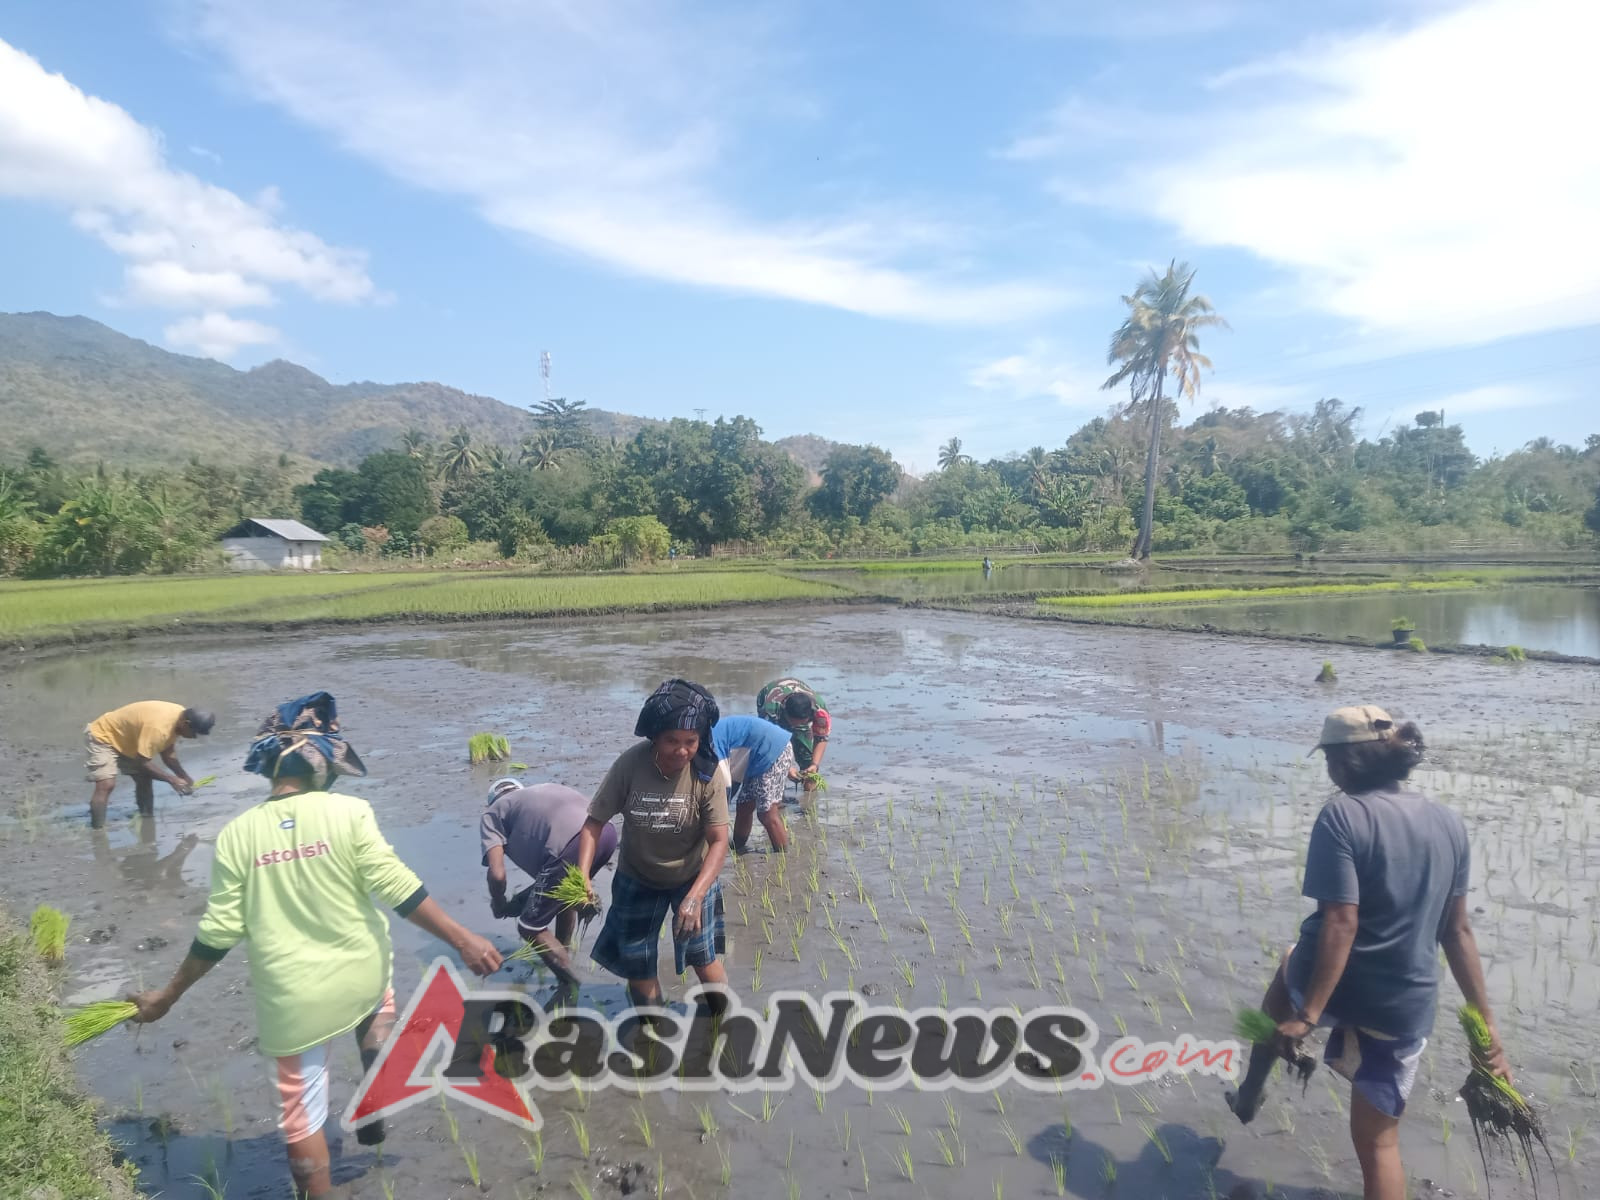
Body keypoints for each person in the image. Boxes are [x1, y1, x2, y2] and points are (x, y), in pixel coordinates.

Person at [126, 693, 501, 1200]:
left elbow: (216, 935)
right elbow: (398, 888)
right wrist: (463, 938)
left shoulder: (237, 834)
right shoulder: (351, 813)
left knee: (302, 1120)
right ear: (323, 763)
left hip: (294, 1001)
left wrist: (167, 996)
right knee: (375, 1003)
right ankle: (376, 1071)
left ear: (270, 767)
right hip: (361, 974)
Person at [1228, 706, 1514, 1200]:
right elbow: (1458, 931)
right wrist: (1487, 1034)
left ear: (1341, 764)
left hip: (1334, 986)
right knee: (1379, 1146)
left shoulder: (1341, 814)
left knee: (1289, 967)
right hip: (1403, 1004)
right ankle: (1254, 1086)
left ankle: (1252, 1088)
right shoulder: (1448, 821)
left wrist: (1309, 1014)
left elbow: (1341, 921)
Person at [576, 679, 731, 1011]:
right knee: (638, 963)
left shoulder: (707, 773)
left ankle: (722, 1021)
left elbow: (719, 841)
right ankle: (653, 1033)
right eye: (671, 741)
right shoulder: (630, 765)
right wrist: (583, 877)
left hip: (693, 877)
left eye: (690, 741)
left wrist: (695, 896)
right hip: (638, 875)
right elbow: (593, 824)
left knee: (702, 958)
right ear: (655, 738)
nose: (682, 750)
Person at [481, 776, 618, 1007]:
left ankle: (570, 983)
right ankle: (562, 954)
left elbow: (497, 874)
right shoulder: (539, 790)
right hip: (604, 834)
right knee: (565, 895)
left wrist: (498, 902)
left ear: (492, 801)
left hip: (569, 845)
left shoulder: (492, 813)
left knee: (529, 926)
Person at [84, 701, 214, 828]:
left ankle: (147, 819)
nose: (194, 737)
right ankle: (98, 829)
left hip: (128, 740)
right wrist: (172, 780)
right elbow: (143, 762)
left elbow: (168, 753)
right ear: (186, 724)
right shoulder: (159, 728)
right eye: (194, 733)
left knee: (144, 779)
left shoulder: (179, 717)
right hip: (103, 736)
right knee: (106, 784)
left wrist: (184, 776)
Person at [712, 714, 796, 854]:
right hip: (757, 753)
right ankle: (737, 848)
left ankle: (783, 857)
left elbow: (724, 789)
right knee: (744, 805)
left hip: (772, 749)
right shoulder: (706, 738)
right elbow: (732, 779)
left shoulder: (711, 746)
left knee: (767, 812)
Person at [756, 677, 832, 795]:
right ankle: (777, 800)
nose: (795, 726)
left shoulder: (820, 711)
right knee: (773, 765)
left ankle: (809, 799)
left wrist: (814, 765)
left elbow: (821, 738)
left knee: (807, 759)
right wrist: (787, 767)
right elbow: (768, 743)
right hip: (769, 699)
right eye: (793, 722)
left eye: (801, 722)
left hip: (798, 711)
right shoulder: (770, 710)